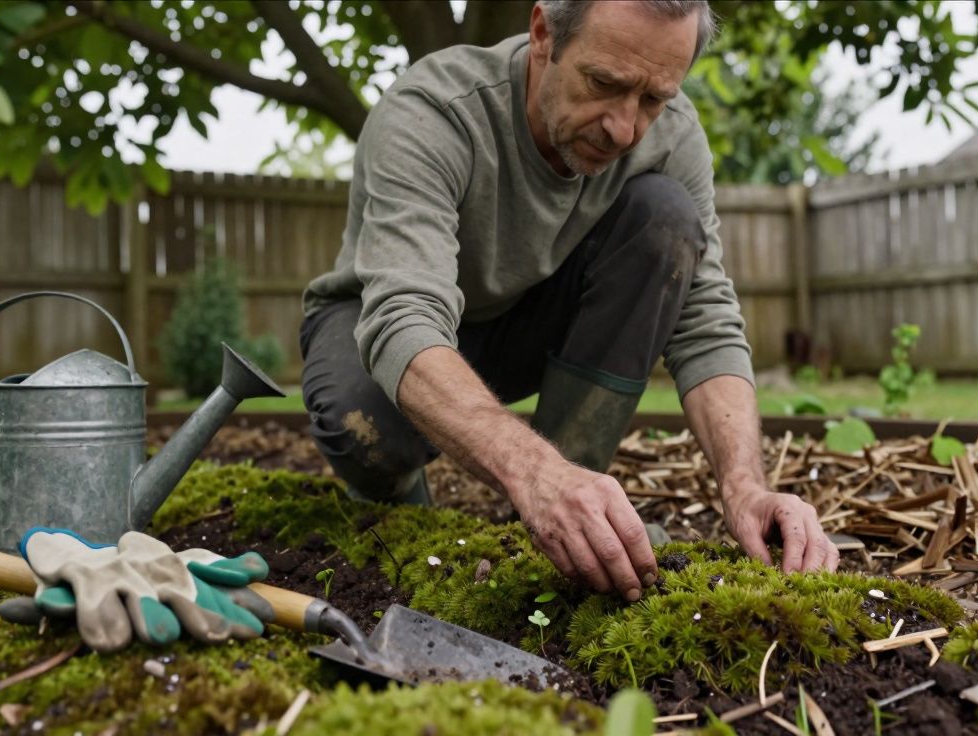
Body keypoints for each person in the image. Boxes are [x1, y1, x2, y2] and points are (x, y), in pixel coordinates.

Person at [299, 0, 839, 603]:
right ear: (542, 35)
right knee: (367, 431)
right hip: (375, 323)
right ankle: (413, 508)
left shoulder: (674, 137)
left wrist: (745, 488)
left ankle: (571, 506)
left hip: (525, 320)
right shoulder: (433, 113)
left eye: (654, 98)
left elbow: (706, 322)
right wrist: (532, 472)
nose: (625, 128)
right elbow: (403, 321)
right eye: (604, 84)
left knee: (665, 217)